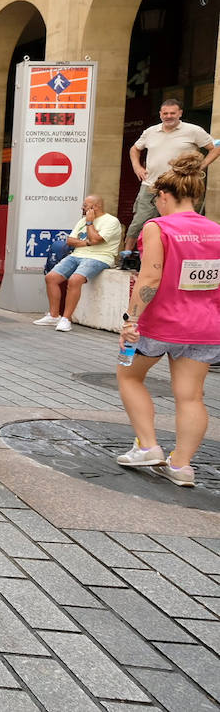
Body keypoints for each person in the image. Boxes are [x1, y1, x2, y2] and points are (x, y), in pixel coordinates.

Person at [116, 152, 220, 486]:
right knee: (191, 396)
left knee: (129, 377)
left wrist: (130, 320)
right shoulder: (216, 231)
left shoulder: (158, 227)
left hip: (159, 323)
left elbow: (149, 279)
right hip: (205, 325)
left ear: (163, 196)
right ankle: (182, 466)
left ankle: (147, 446)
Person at [124, 98, 219, 252]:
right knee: (139, 222)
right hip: (150, 185)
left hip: (178, 186)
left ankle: (179, 254)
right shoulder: (150, 131)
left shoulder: (194, 130)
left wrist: (200, 167)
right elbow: (134, 149)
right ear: (160, 114)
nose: (169, 116)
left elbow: (215, 148)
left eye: (172, 113)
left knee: (176, 224)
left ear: (180, 113)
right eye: (165, 113)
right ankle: (125, 255)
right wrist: (137, 166)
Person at [33, 194, 123, 332]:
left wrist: (90, 223)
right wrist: (87, 242)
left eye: (85, 205)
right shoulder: (82, 221)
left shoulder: (111, 221)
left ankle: (66, 319)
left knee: (75, 280)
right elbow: (69, 241)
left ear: (96, 206)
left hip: (100, 257)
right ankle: (54, 316)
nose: (82, 207)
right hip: (77, 255)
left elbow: (96, 239)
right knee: (51, 278)